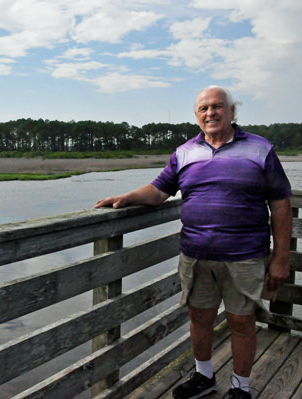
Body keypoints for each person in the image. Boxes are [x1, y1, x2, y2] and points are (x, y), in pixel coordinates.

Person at [94, 86, 292, 399]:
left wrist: (281, 258)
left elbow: (280, 202)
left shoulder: (259, 149)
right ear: (196, 115)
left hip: (244, 256)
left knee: (242, 321)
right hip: (196, 255)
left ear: (231, 111)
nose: (210, 113)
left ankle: (240, 388)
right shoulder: (185, 152)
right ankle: (204, 378)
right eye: (203, 108)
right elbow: (160, 191)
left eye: (217, 107)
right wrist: (127, 197)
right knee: (200, 319)